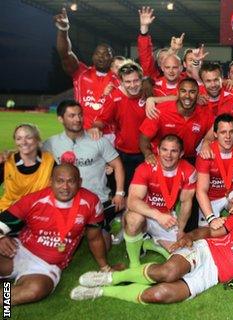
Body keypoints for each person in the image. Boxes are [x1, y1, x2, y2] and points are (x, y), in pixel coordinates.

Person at [70, 192, 233, 304]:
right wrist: (190, 237)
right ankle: (110, 279)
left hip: (213, 275)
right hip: (206, 251)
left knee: (160, 294)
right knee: (167, 272)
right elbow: (211, 232)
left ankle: (102, 292)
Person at [0, 164, 114, 305]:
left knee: (34, 290)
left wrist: (105, 268)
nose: (65, 187)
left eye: (71, 181)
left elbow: (95, 238)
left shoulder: (91, 202)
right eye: (59, 181)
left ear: (80, 182)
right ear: (50, 181)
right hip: (18, 251)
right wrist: (1, 237)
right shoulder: (34, 200)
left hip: (47, 266)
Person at [43, 100, 125, 226]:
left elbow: (117, 165)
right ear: (60, 119)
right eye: (72, 116)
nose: (78, 119)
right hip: (67, 199)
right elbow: (31, 152)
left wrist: (119, 193)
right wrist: (9, 154)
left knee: (98, 234)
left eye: (80, 115)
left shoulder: (98, 140)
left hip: (98, 199)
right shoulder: (52, 143)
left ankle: (110, 222)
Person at [123, 135, 196, 268]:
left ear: (181, 153)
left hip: (167, 217)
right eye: (164, 149)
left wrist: (180, 230)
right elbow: (132, 201)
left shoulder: (189, 171)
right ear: (157, 150)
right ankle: (134, 264)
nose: (168, 155)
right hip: (144, 214)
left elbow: (186, 202)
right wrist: (157, 215)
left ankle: (150, 242)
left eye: (174, 151)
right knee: (134, 219)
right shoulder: (145, 167)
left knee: (181, 253)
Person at [54, 7, 118, 137]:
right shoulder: (81, 73)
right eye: (98, 54)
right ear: (93, 56)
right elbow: (65, 53)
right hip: (81, 133)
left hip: (109, 136)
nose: (101, 57)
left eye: (106, 54)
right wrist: (63, 30)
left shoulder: (120, 79)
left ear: (112, 58)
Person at [90, 62, 149, 191]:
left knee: (146, 192)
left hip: (148, 153)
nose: (132, 85)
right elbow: (101, 119)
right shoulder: (114, 97)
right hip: (124, 154)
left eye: (135, 80)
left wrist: (152, 100)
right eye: (128, 82)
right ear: (121, 82)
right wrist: (96, 127)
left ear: (141, 79)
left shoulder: (149, 93)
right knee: (125, 190)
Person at [196, 114, 233, 227]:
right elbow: (201, 191)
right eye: (223, 132)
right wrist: (211, 219)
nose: (228, 137)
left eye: (231, 132)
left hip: (231, 193)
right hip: (210, 199)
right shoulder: (206, 154)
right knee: (207, 235)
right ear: (215, 134)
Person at [139, 78, 212, 165]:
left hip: (188, 159)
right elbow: (144, 138)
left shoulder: (205, 114)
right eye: (183, 91)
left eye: (192, 92)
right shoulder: (161, 110)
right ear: (177, 93)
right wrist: (148, 154)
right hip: (161, 158)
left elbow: (216, 132)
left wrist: (207, 142)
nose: (187, 96)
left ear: (198, 95)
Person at [0, 124, 55, 211]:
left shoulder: (49, 161)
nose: (23, 142)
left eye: (28, 138)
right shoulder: (7, 161)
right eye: (19, 138)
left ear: (37, 140)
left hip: (38, 212)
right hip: (9, 210)